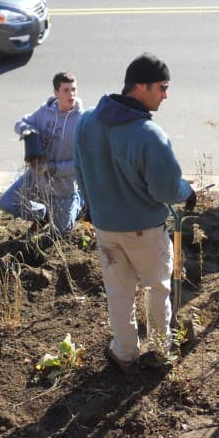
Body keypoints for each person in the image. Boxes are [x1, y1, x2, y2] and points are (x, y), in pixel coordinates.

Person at [73, 53, 195, 374]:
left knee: (119, 292)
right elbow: (167, 191)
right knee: (157, 290)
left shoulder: (86, 122)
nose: (166, 95)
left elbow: (81, 173)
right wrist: (188, 192)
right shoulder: (149, 136)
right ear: (140, 86)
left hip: (105, 228)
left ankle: (125, 352)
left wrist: (92, 207)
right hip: (145, 231)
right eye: (162, 87)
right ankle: (158, 351)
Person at [0, 72, 84, 234]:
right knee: (6, 202)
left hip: (63, 185)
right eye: (66, 90)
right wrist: (26, 129)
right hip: (36, 176)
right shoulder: (45, 112)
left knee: (60, 232)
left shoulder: (82, 121)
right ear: (56, 93)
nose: (71, 94)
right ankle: (42, 214)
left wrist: (53, 168)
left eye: (74, 89)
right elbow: (20, 123)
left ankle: (78, 201)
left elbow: (81, 163)